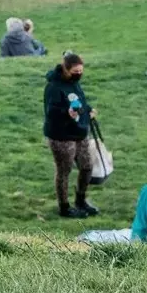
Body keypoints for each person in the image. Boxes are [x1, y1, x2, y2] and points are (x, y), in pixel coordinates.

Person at [44, 53, 98, 219]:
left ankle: (81, 200)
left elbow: (80, 101)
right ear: (66, 70)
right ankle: (64, 206)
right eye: (75, 71)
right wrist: (66, 113)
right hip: (61, 136)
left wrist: (88, 110)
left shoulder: (74, 84)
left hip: (79, 131)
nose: (78, 74)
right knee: (64, 171)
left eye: (81, 71)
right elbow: (51, 112)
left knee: (87, 166)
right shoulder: (54, 87)